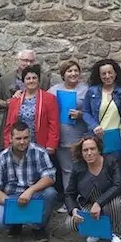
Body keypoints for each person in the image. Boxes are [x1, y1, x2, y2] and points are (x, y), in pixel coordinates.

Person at [0, 121, 58, 242]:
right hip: (10, 196)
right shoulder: (1, 158)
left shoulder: (39, 152)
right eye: (18, 138)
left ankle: (38, 227)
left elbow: (50, 177)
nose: (22, 142)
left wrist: (30, 191)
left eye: (26, 138)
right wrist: (11, 204)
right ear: (10, 138)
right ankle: (16, 222)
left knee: (50, 193)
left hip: (34, 194)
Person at [65, 136, 121, 242]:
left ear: (99, 149)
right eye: (85, 150)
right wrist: (73, 210)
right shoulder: (77, 167)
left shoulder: (111, 161)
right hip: (89, 204)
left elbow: (119, 185)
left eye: (92, 149)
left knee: (117, 203)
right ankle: (96, 231)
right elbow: (69, 193)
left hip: (110, 201)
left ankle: (115, 234)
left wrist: (99, 203)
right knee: (70, 223)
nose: (89, 153)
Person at [48, 60, 89, 213]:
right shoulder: (53, 90)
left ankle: (84, 199)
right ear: (63, 74)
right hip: (62, 136)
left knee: (83, 169)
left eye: (75, 70)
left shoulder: (86, 90)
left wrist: (81, 114)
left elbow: (93, 112)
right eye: (69, 71)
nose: (73, 74)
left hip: (81, 136)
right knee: (66, 170)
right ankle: (69, 201)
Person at [3, 64, 59, 156]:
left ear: (39, 80)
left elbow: (54, 124)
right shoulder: (15, 100)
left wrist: (51, 145)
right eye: (28, 78)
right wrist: (7, 144)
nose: (31, 81)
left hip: (40, 144)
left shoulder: (49, 98)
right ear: (23, 81)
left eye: (34, 78)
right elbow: (9, 125)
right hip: (19, 144)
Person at [81, 59, 121, 157]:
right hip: (98, 137)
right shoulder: (92, 92)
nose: (107, 76)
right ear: (99, 76)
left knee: (116, 167)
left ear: (115, 73)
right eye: (103, 74)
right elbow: (85, 111)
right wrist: (94, 126)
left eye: (110, 72)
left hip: (118, 137)